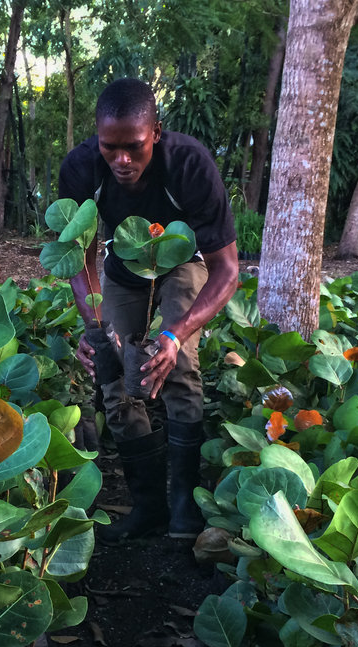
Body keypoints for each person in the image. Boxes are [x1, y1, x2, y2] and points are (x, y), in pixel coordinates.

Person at [58, 77, 240, 543]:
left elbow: (227, 271)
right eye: (110, 147)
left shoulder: (189, 164)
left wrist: (175, 333)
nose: (121, 161)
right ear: (97, 138)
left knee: (174, 364)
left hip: (185, 261)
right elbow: (79, 251)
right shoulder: (82, 167)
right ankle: (149, 506)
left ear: (155, 133)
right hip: (122, 268)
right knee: (114, 376)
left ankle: (183, 506)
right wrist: (96, 327)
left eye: (133, 148)